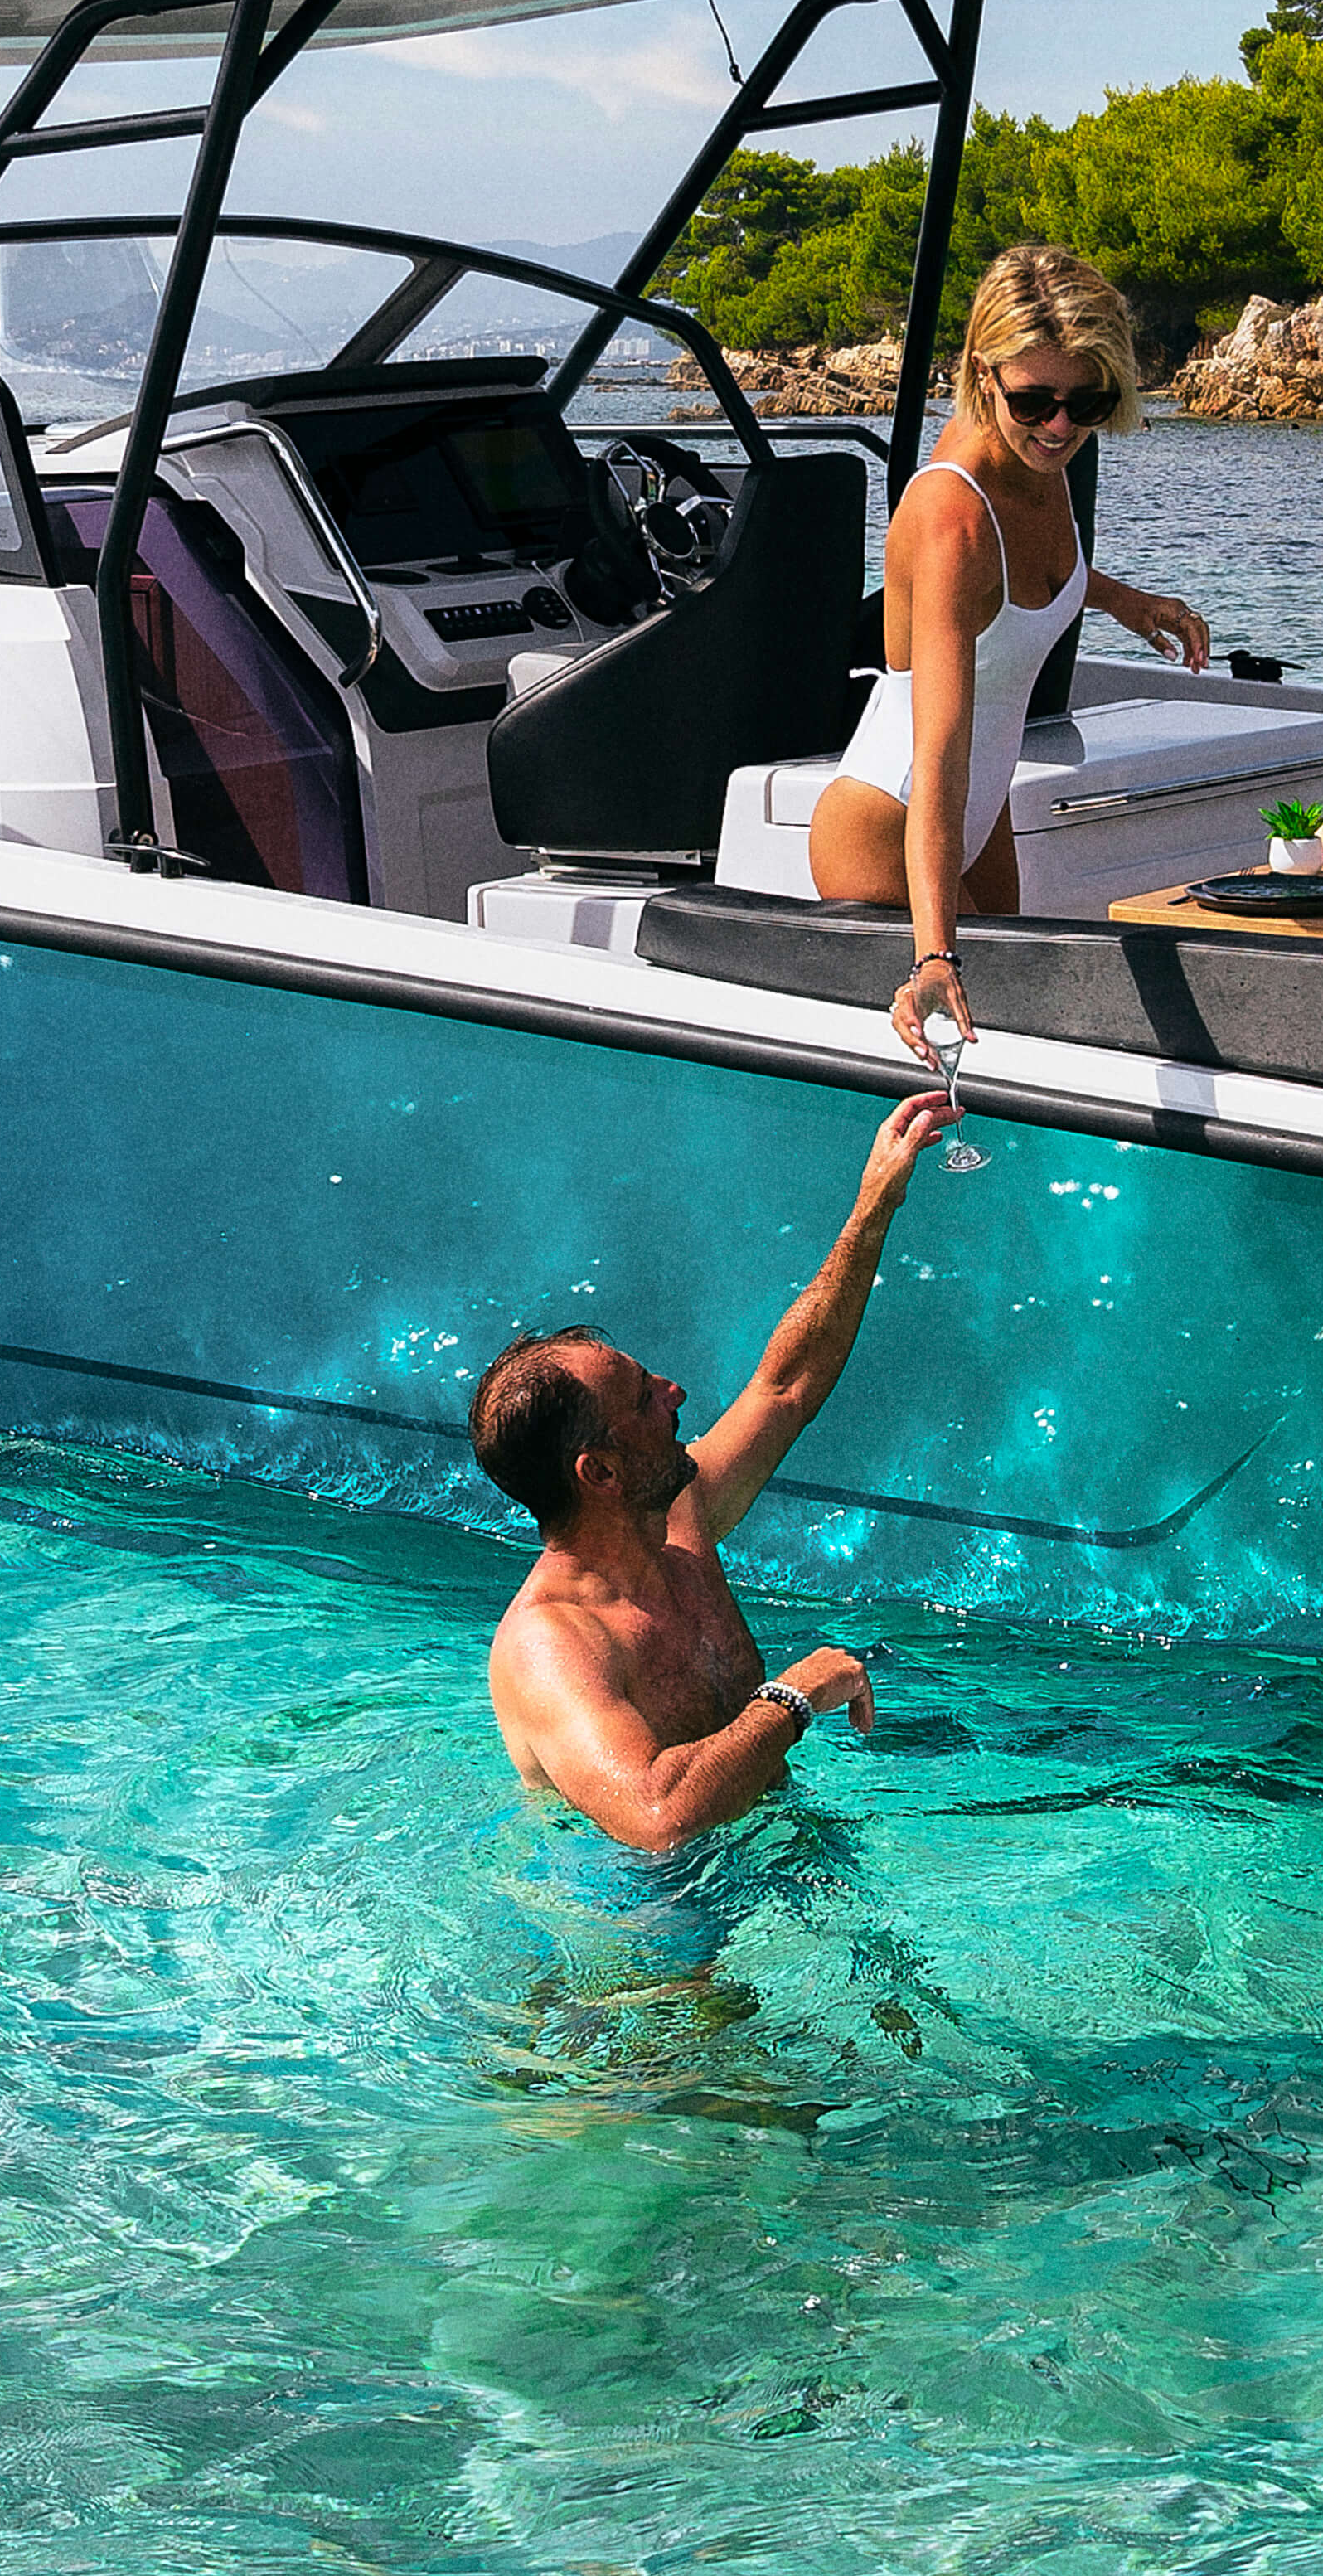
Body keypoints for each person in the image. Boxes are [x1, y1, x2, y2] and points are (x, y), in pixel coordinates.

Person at [475, 1089, 953, 1855]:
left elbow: (787, 1386)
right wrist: (793, 1696)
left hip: (769, 1861)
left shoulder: (675, 1518)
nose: (675, 1393)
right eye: (644, 1398)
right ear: (601, 1472)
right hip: (640, 1913)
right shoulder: (552, 1644)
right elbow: (657, 1815)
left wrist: (874, 1206)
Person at [807, 241, 1213, 1065]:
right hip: (893, 821)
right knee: (967, 1049)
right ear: (981, 373)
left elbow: (1028, 574)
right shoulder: (951, 520)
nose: (1060, 425)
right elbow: (938, 752)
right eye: (1033, 401)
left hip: (977, 807)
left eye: (1086, 400)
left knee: (1012, 1047)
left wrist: (1125, 600)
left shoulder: (1037, 451)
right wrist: (932, 953)